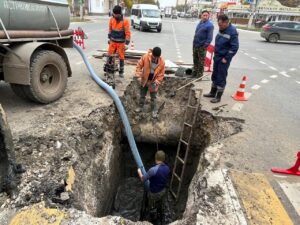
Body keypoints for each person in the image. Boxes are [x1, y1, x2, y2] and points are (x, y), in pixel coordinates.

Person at [204, 14, 239, 103]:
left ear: (226, 23)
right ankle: (212, 92)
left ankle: (218, 97)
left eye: (220, 25)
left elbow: (234, 47)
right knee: (215, 74)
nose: (219, 26)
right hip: (217, 56)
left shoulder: (232, 32)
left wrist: (226, 58)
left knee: (221, 76)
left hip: (224, 58)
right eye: (218, 24)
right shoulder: (222, 29)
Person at [137, 150, 170, 223]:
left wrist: (139, 171)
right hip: (163, 191)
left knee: (151, 206)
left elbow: (143, 179)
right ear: (163, 159)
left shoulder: (153, 170)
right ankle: (161, 212)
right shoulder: (167, 168)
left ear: (155, 159)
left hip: (154, 193)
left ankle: (153, 217)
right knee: (161, 204)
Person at [135, 47, 165, 119]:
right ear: (152, 55)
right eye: (154, 57)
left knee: (153, 98)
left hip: (153, 81)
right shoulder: (145, 57)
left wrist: (157, 81)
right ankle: (140, 107)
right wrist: (139, 76)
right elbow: (138, 66)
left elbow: (161, 74)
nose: (155, 59)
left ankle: (154, 110)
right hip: (144, 79)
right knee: (142, 95)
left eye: (156, 58)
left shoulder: (162, 62)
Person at [107, 5, 131, 78]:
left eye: (116, 14)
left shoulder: (125, 21)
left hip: (121, 43)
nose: (114, 15)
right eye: (114, 14)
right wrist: (109, 37)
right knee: (110, 55)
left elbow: (127, 32)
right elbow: (110, 29)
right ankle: (109, 69)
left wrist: (127, 42)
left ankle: (121, 72)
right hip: (113, 41)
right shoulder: (112, 19)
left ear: (119, 14)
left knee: (121, 57)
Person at [192, 10, 214, 78]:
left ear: (208, 16)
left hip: (202, 47)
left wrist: (204, 46)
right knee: (195, 60)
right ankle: (194, 73)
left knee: (201, 62)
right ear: (201, 16)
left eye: (206, 15)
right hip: (196, 45)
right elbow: (196, 34)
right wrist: (193, 45)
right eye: (203, 15)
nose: (205, 17)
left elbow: (209, 38)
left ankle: (199, 75)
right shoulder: (200, 23)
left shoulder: (210, 25)